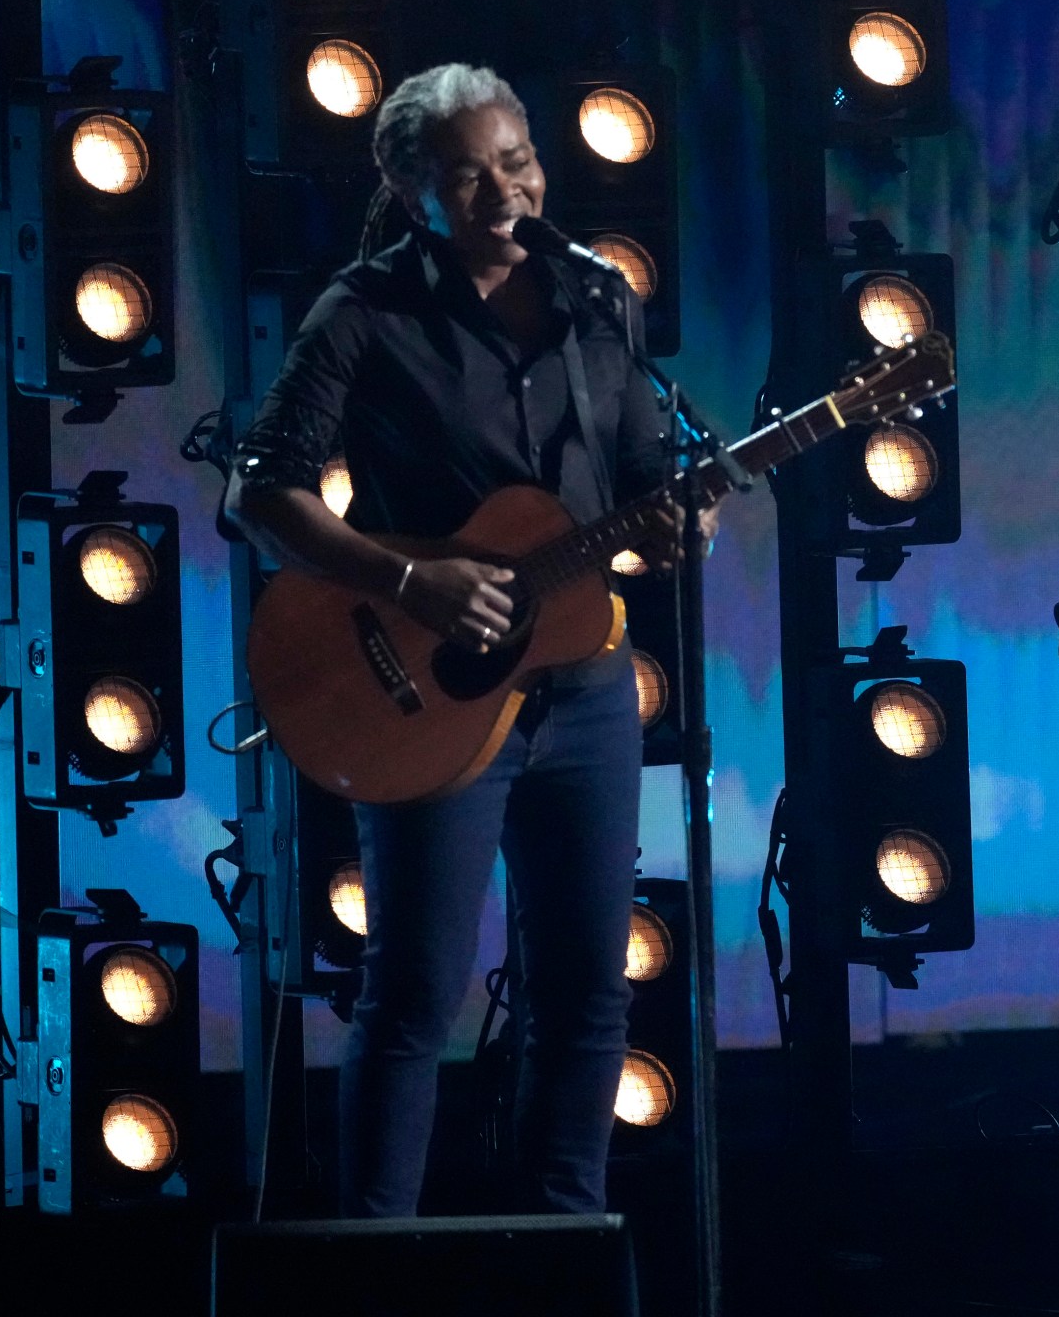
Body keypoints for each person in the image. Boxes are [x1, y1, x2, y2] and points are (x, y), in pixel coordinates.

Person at [227, 63, 709, 1215]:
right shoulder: (364, 311)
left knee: (589, 994)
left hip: (584, 688)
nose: (506, 192)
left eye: (518, 161)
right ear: (411, 194)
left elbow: (640, 474)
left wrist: (680, 520)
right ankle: (375, 1268)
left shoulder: (599, 297)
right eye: (468, 175)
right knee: (411, 997)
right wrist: (412, 580)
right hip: (426, 692)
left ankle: (564, 1251)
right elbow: (261, 495)